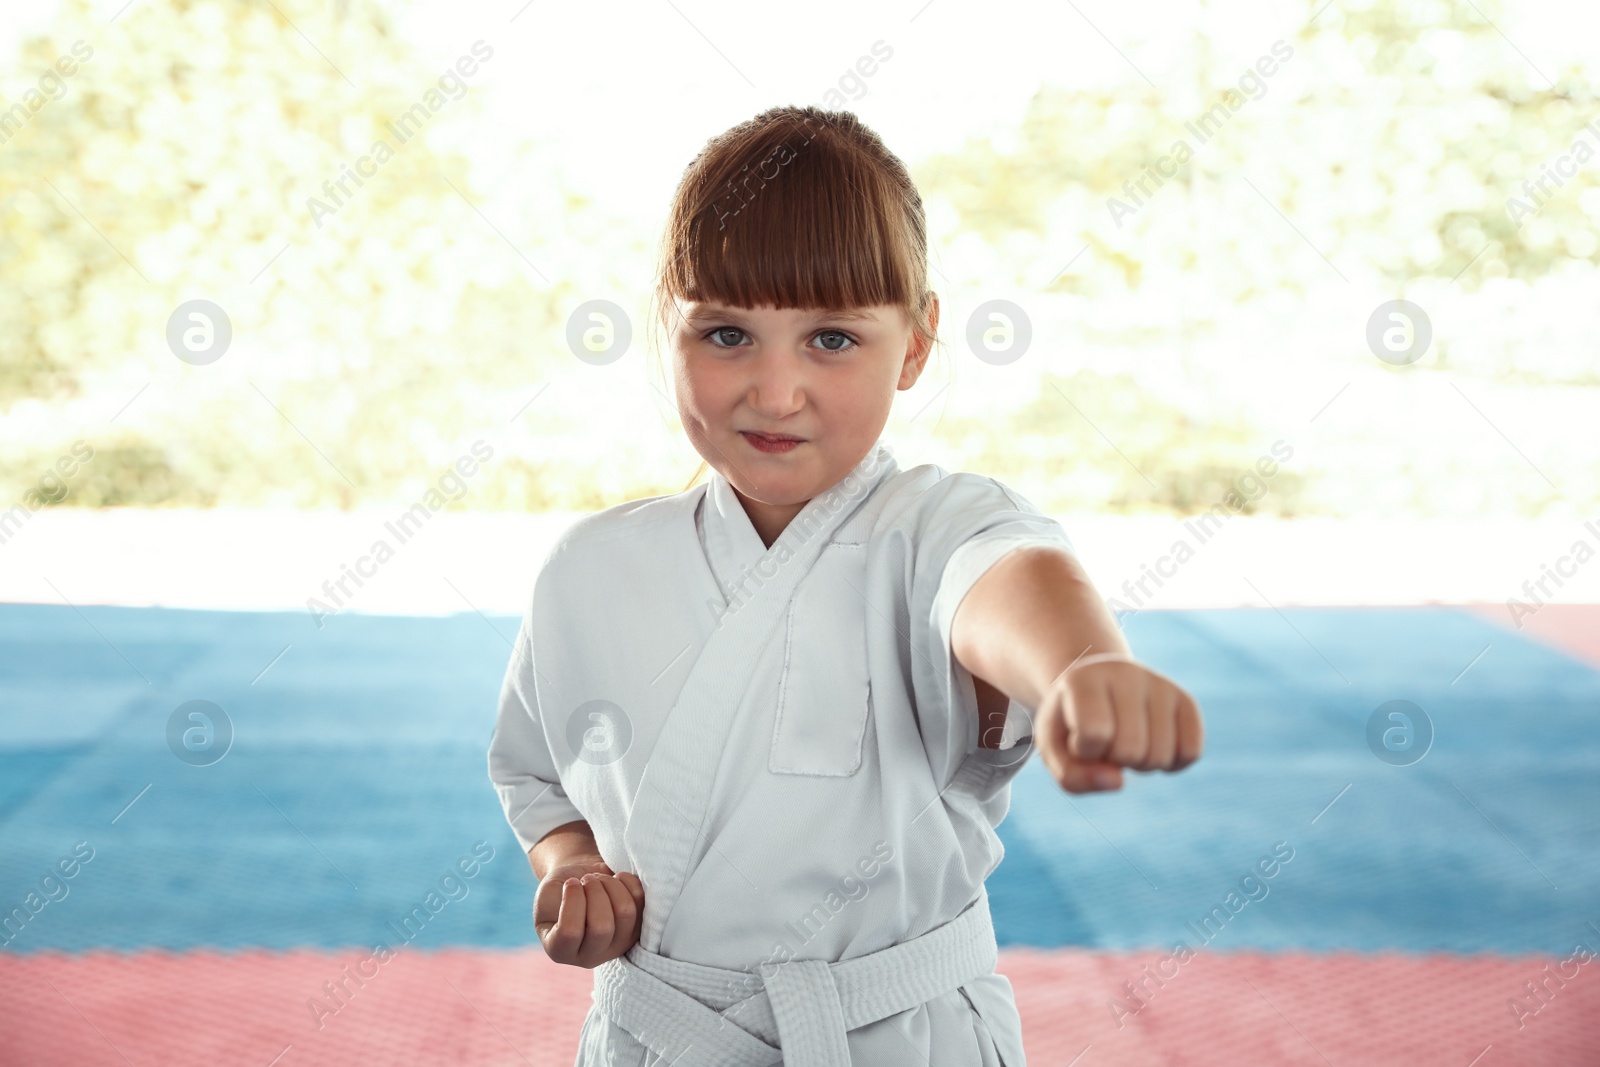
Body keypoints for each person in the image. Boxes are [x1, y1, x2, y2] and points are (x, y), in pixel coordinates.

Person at [487, 104, 1204, 1067]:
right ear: (667, 329)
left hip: (898, 1037)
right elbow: (536, 773)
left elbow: (1003, 578)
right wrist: (575, 869)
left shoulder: (930, 530)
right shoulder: (588, 570)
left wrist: (1079, 664)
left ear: (914, 343)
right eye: (726, 333)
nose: (774, 391)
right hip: (661, 1036)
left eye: (831, 338)